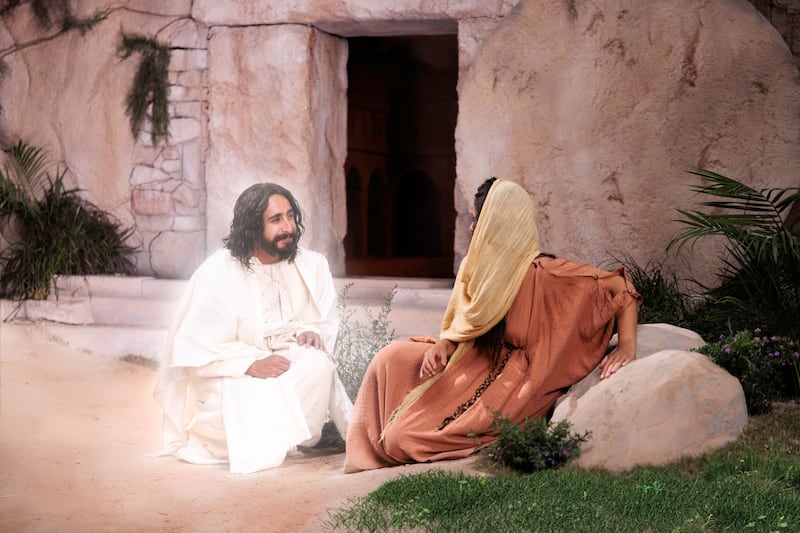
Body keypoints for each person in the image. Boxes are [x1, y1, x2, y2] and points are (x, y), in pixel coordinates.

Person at [344, 178, 641, 473]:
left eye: (478, 220)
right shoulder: (480, 269)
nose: (472, 229)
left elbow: (619, 285)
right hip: (473, 359)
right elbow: (467, 324)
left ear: (499, 222)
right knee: (391, 358)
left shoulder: (547, 274)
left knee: (401, 438)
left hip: (513, 385)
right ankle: (375, 441)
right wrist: (446, 345)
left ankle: (409, 433)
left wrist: (627, 345)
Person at [155, 182, 352, 474]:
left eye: (290, 216)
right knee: (238, 399)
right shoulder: (219, 271)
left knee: (317, 364)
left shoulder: (313, 265)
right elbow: (194, 349)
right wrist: (249, 364)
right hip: (233, 373)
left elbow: (323, 320)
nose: (289, 227)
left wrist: (310, 330)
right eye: (276, 220)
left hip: (284, 363)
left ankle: (282, 438)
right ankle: (272, 438)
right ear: (251, 227)